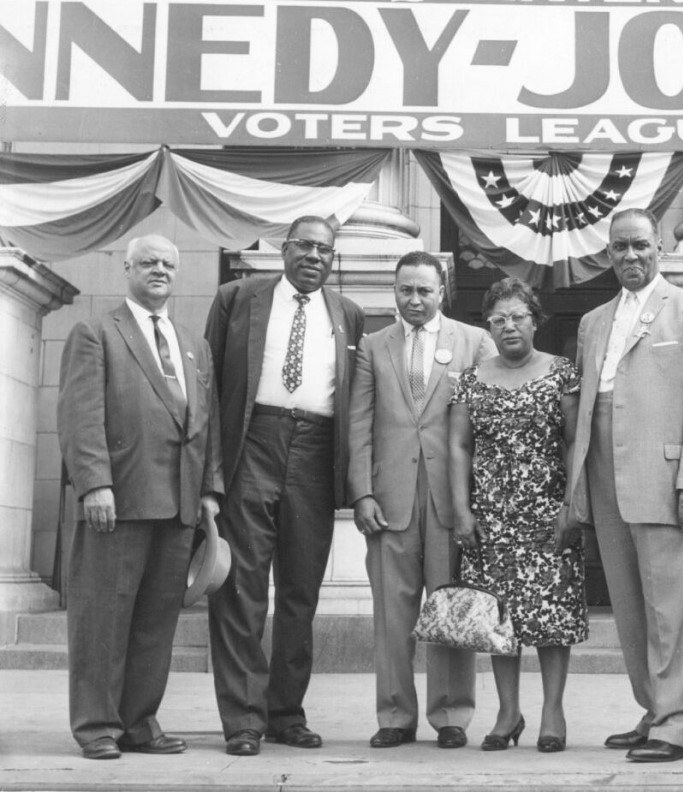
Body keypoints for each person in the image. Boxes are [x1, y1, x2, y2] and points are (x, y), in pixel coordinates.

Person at [566, 208, 683, 763]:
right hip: (604, 470)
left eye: (640, 245)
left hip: (666, 475)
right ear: (607, 253)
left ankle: (680, 726)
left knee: (675, 605)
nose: (630, 256)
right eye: (619, 248)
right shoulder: (593, 321)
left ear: (660, 247)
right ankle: (654, 709)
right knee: (631, 603)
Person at [57, 234, 222, 760]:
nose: (159, 270)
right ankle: (97, 726)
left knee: (156, 622)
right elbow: (80, 415)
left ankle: (139, 721)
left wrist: (211, 492)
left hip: (180, 506)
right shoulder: (95, 331)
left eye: (168, 264)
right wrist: (94, 483)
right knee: (103, 619)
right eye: (148, 262)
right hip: (118, 501)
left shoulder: (194, 343)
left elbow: (206, 423)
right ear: (126, 269)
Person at [204, 216, 365, 756]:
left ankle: (286, 714)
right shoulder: (237, 298)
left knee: (301, 590)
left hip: (315, 451)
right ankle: (243, 719)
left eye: (325, 249)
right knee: (242, 588)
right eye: (305, 246)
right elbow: (209, 388)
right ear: (284, 248)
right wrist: (212, 473)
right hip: (254, 441)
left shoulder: (348, 314)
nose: (314, 256)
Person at [347, 251, 495, 749]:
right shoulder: (373, 345)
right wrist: (362, 492)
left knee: (451, 609)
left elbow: (489, 427)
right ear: (395, 291)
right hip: (389, 502)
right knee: (393, 615)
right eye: (405, 289)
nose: (414, 299)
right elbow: (359, 424)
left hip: (451, 501)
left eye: (424, 290)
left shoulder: (474, 342)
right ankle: (394, 716)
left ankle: (451, 715)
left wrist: (477, 502)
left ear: (442, 292)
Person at [450, 277, 588, 754]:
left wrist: (572, 505)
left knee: (551, 617)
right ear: (487, 325)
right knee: (499, 619)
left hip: (548, 512)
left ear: (535, 321)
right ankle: (508, 713)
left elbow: (575, 441)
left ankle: (553, 711)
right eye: (498, 319)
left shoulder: (561, 371)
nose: (508, 326)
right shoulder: (471, 378)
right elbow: (459, 445)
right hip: (491, 517)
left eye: (518, 317)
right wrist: (461, 511)